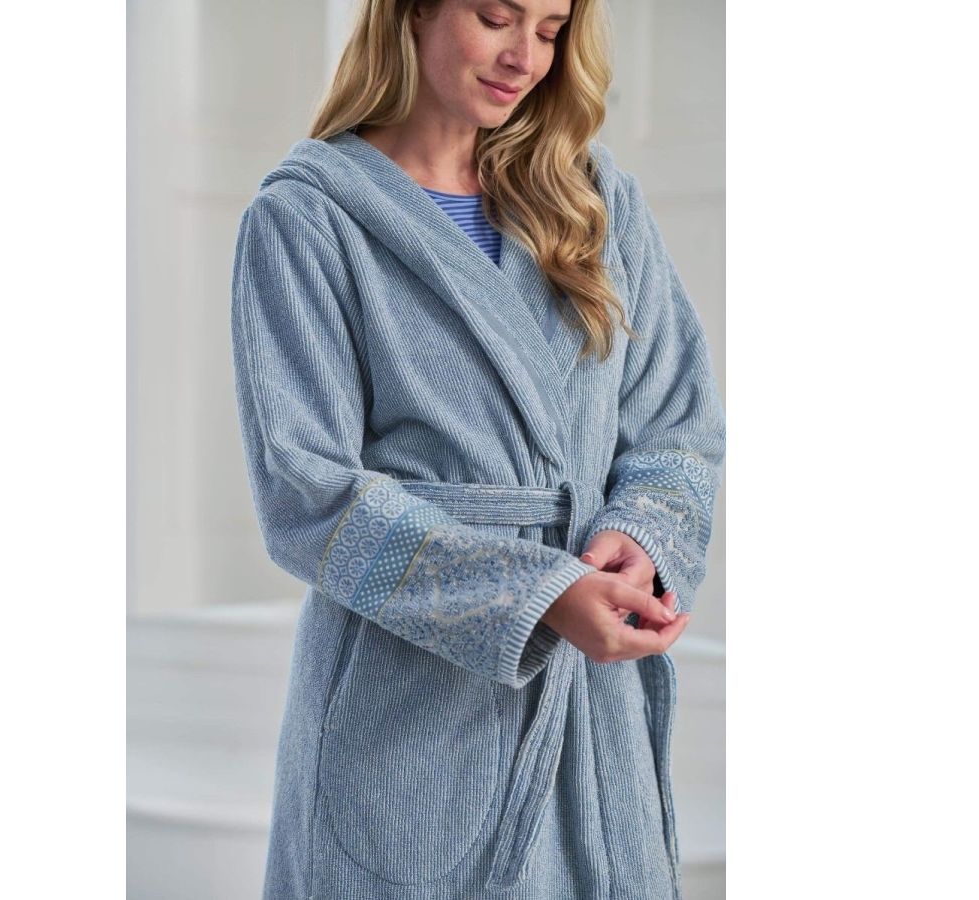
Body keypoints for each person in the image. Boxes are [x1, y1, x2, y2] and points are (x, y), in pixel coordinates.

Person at [229, 0, 725, 896]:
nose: (524, 57)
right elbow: (308, 496)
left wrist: (640, 535)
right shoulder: (306, 221)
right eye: (497, 17)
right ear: (413, 10)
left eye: (551, 30)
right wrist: (535, 595)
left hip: (591, 709)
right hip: (408, 718)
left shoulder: (596, 203)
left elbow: (678, 423)